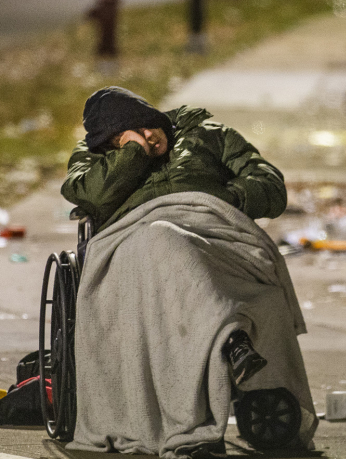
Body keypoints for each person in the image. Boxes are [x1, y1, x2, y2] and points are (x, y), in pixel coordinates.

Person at [62, 86, 287, 385]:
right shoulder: (92, 156)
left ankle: (230, 344)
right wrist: (132, 153)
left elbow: (271, 186)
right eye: (127, 136)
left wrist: (224, 198)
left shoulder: (207, 134)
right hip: (137, 244)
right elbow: (91, 196)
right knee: (161, 238)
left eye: (145, 125)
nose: (147, 138)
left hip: (210, 234)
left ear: (156, 115)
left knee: (173, 243)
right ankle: (232, 340)